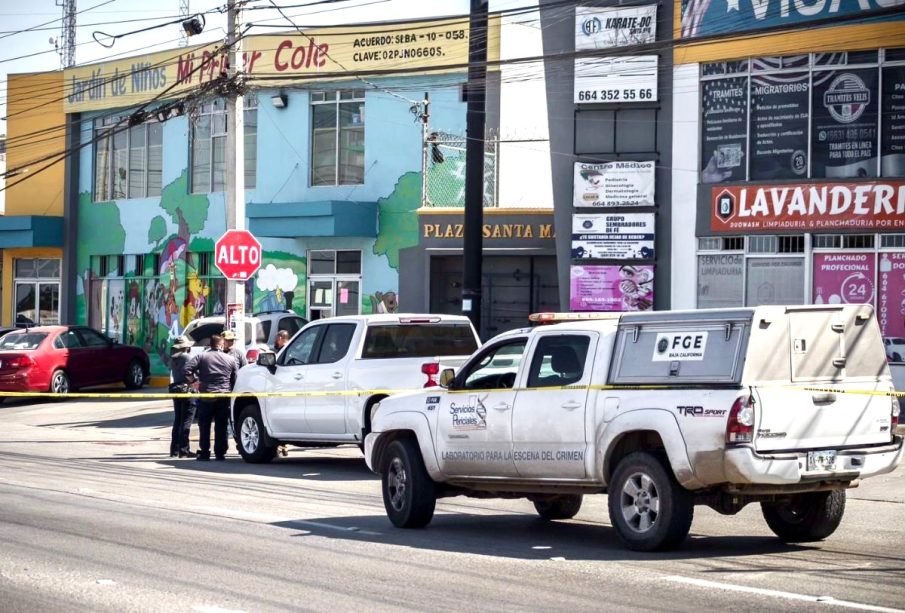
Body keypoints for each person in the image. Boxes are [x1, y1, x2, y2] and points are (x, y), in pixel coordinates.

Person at [184, 334, 238, 461]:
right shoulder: (230, 359)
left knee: (204, 425)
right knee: (221, 425)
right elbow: (235, 378)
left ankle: (204, 452)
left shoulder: (202, 356)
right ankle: (220, 453)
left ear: (211, 344)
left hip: (206, 396)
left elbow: (187, 370)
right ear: (221, 344)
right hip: (223, 396)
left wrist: (194, 382)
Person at [168, 335, 196, 458]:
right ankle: (184, 450)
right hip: (187, 390)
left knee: (178, 420)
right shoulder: (187, 357)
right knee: (186, 421)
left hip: (176, 389)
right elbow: (191, 373)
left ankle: (174, 450)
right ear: (185, 347)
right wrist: (195, 382)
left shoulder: (172, 358)